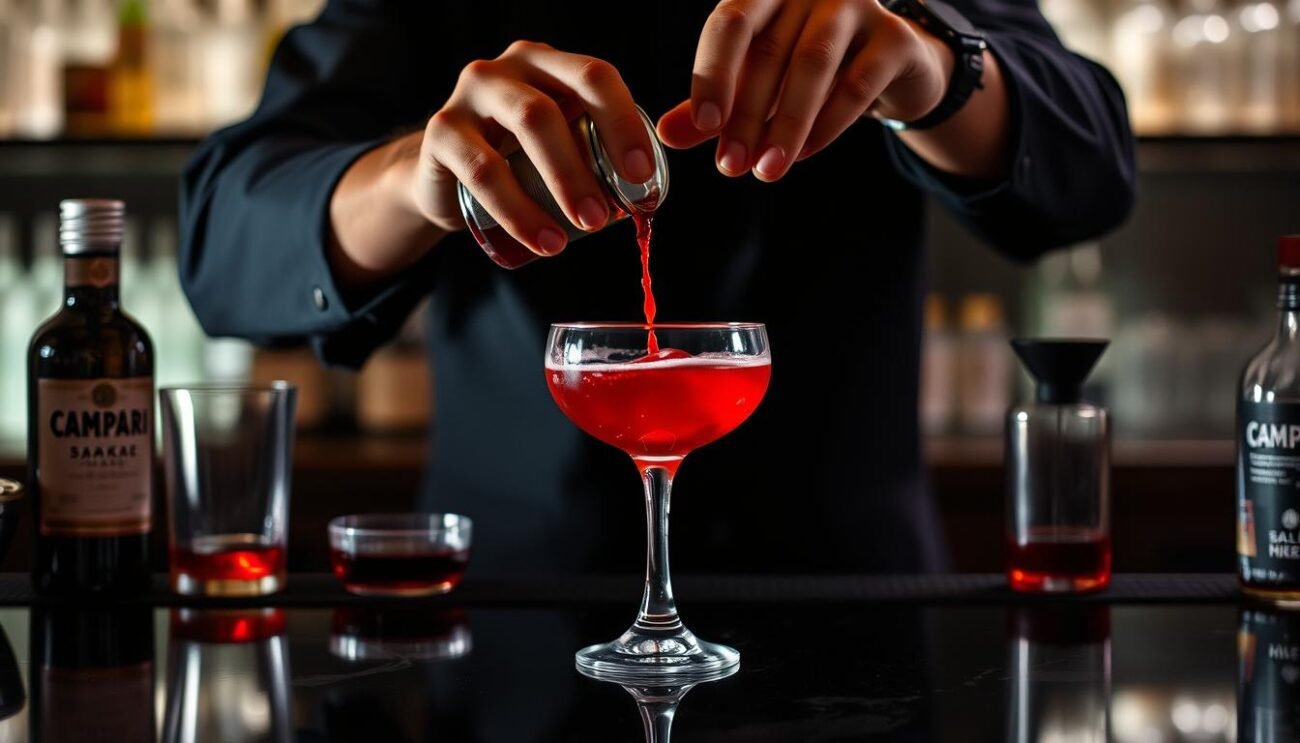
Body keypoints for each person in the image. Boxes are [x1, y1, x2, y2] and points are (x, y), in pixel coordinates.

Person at [180, 0, 1135, 575]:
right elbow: (225, 243)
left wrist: (937, 69)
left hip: (844, 599)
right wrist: (415, 177)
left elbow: (1090, 169)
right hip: (522, 621)